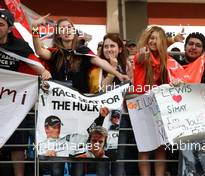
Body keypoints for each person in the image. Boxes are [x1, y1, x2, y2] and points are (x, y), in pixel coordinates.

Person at [0, 9, 51, 176]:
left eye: (0, 24)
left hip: (12, 104)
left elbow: (38, 66)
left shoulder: (19, 46)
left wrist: (44, 73)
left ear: (9, 28)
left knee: (17, 144)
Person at [133, 25, 183, 176]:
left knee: (161, 147)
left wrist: (176, 82)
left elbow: (177, 77)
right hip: (140, 105)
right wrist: (143, 54)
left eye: (156, 38)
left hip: (160, 105)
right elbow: (141, 57)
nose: (152, 41)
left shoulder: (166, 59)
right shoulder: (140, 55)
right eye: (150, 38)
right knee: (145, 147)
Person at [32, 16, 128, 94]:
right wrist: (35, 28)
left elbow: (101, 62)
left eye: (69, 27)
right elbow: (39, 51)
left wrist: (118, 74)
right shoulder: (55, 53)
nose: (67, 30)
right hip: (58, 100)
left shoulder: (83, 51)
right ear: (58, 35)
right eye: (62, 28)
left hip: (80, 102)